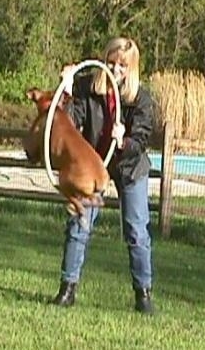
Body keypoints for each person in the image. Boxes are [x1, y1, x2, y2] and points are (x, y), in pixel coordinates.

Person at [52, 37, 155, 314]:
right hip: (94, 165)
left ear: (131, 68)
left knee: (136, 229)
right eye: (110, 62)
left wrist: (124, 140)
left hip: (129, 167)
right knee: (79, 222)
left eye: (122, 65)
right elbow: (68, 124)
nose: (115, 69)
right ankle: (67, 288)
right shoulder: (87, 87)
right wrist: (67, 90)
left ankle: (143, 295)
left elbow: (142, 139)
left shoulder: (141, 98)